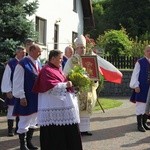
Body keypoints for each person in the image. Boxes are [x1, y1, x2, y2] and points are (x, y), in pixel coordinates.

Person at [32, 50, 83, 150]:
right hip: (53, 108)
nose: (61, 60)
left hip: (63, 107)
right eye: (60, 58)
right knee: (56, 136)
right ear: (53, 58)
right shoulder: (46, 70)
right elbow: (49, 86)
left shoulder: (57, 69)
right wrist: (66, 84)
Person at [63, 35, 99, 136]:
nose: (82, 49)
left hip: (87, 89)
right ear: (76, 48)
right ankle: (76, 130)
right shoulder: (71, 60)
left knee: (86, 110)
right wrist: (74, 80)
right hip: (76, 89)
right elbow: (65, 73)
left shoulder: (90, 59)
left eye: (84, 47)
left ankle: (85, 129)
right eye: (80, 47)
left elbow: (95, 73)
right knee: (77, 109)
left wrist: (95, 80)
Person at [12, 44, 42, 150]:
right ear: (32, 50)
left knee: (33, 119)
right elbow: (17, 82)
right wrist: (21, 97)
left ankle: (29, 143)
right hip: (26, 97)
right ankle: (22, 145)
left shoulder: (38, 62)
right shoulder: (22, 64)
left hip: (36, 96)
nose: (40, 53)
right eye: (39, 51)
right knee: (24, 119)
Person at [1, 46, 26, 136]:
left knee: (21, 110)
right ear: (17, 53)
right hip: (13, 90)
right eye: (22, 52)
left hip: (23, 91)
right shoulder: (11, 63)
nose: (24, 54)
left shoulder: (25, 62)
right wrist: (7, 91)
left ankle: (18, 128)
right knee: (11, 110)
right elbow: (6, 77)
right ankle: (10, 129)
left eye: (24, 52)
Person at [129, 45, 150, 132]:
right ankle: (139, 124)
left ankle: (144, 123)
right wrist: (135, 85)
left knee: (148, 106)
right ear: (144, 52)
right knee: (141, 105)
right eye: (148, 50)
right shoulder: (140, 62)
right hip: (141, 87)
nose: (149, 52)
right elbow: (135, 74)